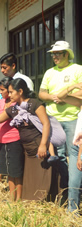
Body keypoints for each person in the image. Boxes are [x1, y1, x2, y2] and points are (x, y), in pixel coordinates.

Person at [39, 41, 82, 193]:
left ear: (66, 54)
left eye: (57, 53)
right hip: (54, 119)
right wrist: (53, 97)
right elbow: (41, 93)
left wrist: (65, 97)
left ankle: (75, 189)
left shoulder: (77, 69)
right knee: (59, 156)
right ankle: (65, 186)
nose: (55, 56)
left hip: (73, 118)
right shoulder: (49, 72)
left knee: (75, 154)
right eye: (53, 54)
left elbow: (81, 90)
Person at [0, 77, 24, 201]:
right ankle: (12, 198)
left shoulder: (16, 105)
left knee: (16, 171)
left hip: (14, 139)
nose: (0, 92)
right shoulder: (1, 102)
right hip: (2, 140)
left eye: (2, 90)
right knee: (8, 172)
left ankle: (19, 198)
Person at [57, 82, 82, 212]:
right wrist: (73, 87)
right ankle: (72, 214)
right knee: (74, 183)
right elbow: (61, 96)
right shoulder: (80, 102)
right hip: (76, 147)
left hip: (80, 149)